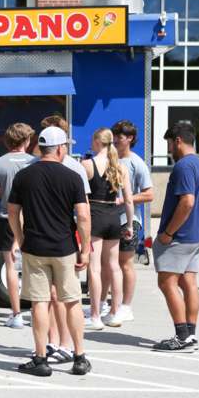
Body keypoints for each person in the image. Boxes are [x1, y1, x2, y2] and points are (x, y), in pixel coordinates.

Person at [8, 126, 92, 377]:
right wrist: (85, 250)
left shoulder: (24, 176)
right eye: (65, 146)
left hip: (34, 246)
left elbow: (13, 212)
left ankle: (41, 358)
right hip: (65, 247)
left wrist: (20, 239)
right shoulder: (72, 176)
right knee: (72, 301)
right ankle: (79, 357)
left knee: (39, 303)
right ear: (59, 148)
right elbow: (84, 216)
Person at [152, 122, 199, 352]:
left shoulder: (184, 166)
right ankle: (191, 334)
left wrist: (168, 233)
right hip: (197, 234)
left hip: (181, 236)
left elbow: (187, 201)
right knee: (189, 282)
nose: (169, 149)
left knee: (166, 282)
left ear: (178, 141)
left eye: (169, 144)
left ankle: (182, 335)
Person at [36, 115, 90, 363]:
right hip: (49, 240)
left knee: (64, 297)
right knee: (49, 297)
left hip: (67, 238)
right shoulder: (36, 168)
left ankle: (66, 344)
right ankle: (53, 342)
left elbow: (84, 212)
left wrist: (84, 247)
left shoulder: (75, 168)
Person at [81, 128, 134, 329]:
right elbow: (128, 200)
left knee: (94, 268)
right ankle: (114, 313)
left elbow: (80, 199)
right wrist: (128, 224)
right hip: (114, 217)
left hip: (95, 217)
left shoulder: (87, 165)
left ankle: (95, 315)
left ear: (96, 141)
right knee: (114, 266)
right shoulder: (120, 167)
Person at [0, 122, 36, 329]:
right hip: (33, 219)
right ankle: (37, 311)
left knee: (11, 267)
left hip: (7, 219)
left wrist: (1, 192)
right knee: (35, 267)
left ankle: (16, 315)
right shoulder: (36, 162)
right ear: (26, 140)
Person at [106, 120, 154, 323]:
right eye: (114, 135)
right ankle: (110, 304)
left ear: (130, 139)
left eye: (120, 136)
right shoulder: (109, 160)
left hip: (129, 220)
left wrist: (126, 199)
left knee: (125, 263)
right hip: (107, 219)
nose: (116, 139)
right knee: (108, 263)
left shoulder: (136, 163)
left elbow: (149, 194)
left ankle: (126, 306)